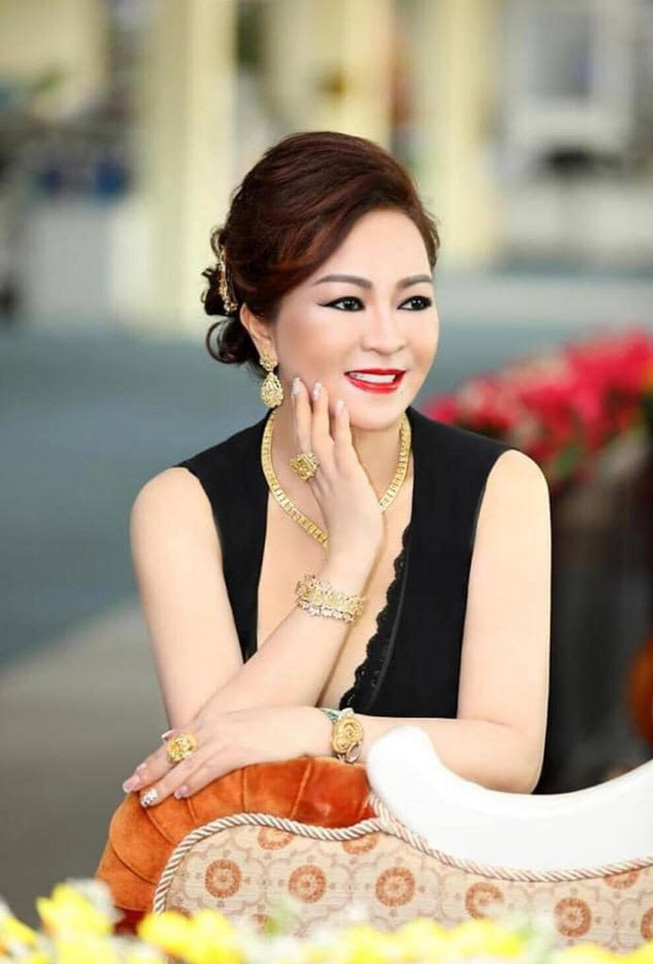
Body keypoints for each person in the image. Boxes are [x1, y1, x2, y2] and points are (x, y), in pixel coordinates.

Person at [120, 130, 551, 811]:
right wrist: (350, 555)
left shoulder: (502, 488)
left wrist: (317, 730)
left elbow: (511, 757)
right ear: (262, 324)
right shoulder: (182, 508)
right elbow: (208, 773)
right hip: (250, 878)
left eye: (413, 301)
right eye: (347, 302)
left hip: (447, 877)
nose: (388, 337)